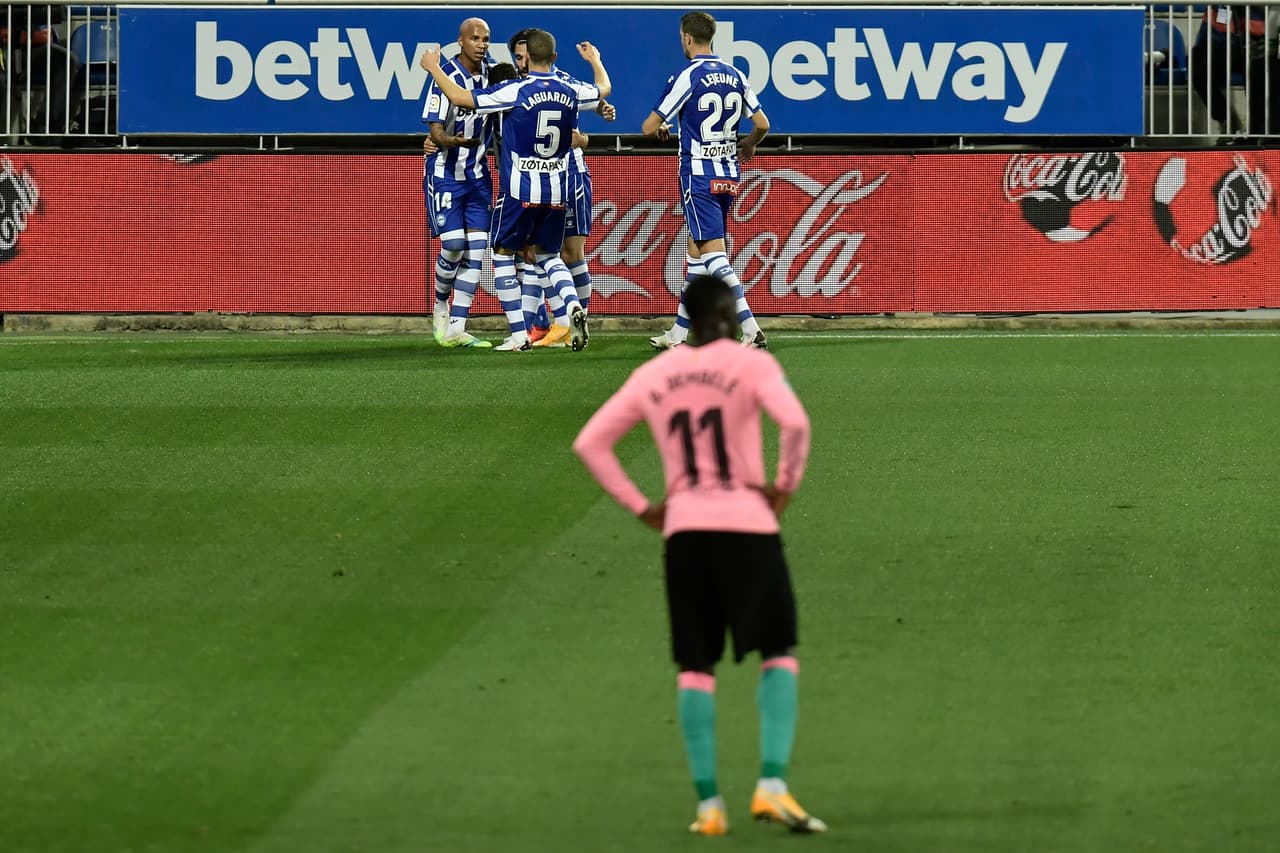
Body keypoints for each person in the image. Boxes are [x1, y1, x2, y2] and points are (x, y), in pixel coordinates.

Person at [572, 275, 824, 837]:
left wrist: (643, 507)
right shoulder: (751, 365)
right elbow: (795, 423)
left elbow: (590, 443)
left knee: (695, 667)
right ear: (728, 316)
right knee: (777, 651)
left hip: (685, 533)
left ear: (687, 318)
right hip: (749, 526)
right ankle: (772, 785)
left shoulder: (653, 374)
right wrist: (784, 488)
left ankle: (709, 807)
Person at [421, 29, 609, 353]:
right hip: (557, 190)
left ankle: (519, 334)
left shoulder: (515, 90)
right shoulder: (569, 89)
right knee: (548, 257)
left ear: (527, 59)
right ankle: (571, 308)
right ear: (553, 58)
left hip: (520, 190)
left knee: (502, 254)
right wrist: (595, 61)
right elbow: (603, 89)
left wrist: (433, 68)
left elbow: (462, 98)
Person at [642, 11, 770, 352]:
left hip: (698, 175)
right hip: (728, 173)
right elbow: (762, 124)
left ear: (686, 38)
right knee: (696, 254)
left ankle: (751, 329)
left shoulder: (687, 75)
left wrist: (663, 126)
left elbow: (648, 127)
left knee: (714, 256)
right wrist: (749, 144)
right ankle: (678, 334)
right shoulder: (736, 74)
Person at [505, 27, 614, 349]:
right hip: (535, 181)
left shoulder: (561, 82)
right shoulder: (515, 88)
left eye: (525, 56)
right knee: (534, 252)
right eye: (518, 58)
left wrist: (594, 119)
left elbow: (591, 109)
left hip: (568, 176)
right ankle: (546, 324)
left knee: (569, 253)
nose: (522, 63)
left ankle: (573, 324)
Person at [422, 17, 497, 348]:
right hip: (446, 174)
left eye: (486, 39)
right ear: (461, 41)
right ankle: (440, 304)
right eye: (475, 38)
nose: (481, 44)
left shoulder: (494, 75)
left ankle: (457, 326)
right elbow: (435, 131)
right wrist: (450, 141)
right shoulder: (446, 76)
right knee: (453, 246)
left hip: (478, 177)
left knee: (477, 252)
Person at [1189, 5, 1280, 137]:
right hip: (1226, 47)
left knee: (1260, 66)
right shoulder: (1221, 8)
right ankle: (1225, 119)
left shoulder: (1268, 8)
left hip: (1258, 50)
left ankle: (1257, 131)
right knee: (1197, 62)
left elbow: (1268, 36)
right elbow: (1212, 36)